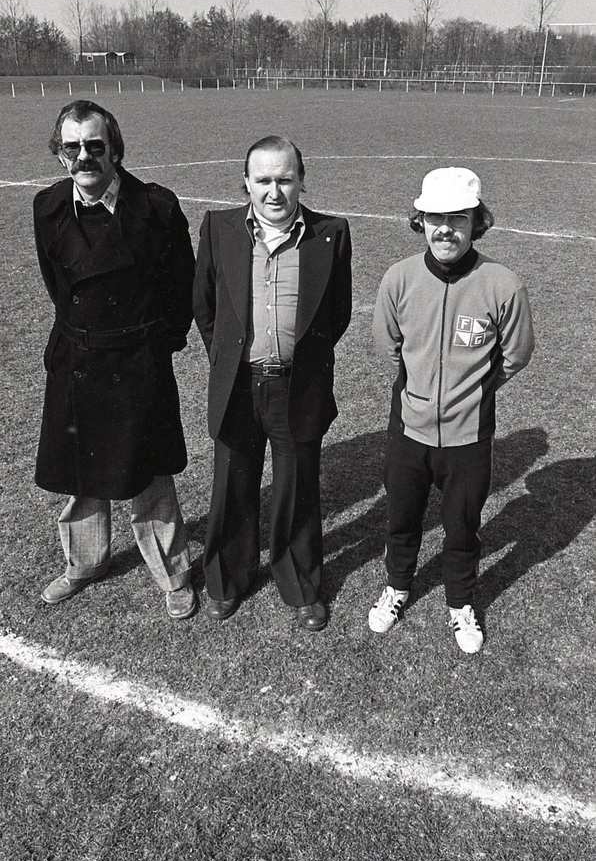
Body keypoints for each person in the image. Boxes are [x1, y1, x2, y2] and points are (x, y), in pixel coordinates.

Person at [34, 99, 196, 620]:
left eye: (95, 146)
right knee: (82, 470)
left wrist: (155, 344)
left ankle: (173, 573)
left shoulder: (156, 207)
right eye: (72, 148)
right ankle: (85, 561)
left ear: (116, 150)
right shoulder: (47, 206)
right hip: (77, 357)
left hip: (137, 360)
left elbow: (182, 288)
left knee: (150, 474)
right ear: (60, 154)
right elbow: (58, 285)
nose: (84, 157)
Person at [370, 167, 534, 652]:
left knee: (462, 527)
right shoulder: (399, 278)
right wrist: (421, 387)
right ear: (419, 220)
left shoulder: (502, 284)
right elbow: (388, 345)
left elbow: (516, 354)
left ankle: (460, 603)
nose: (445, 229)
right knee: (402, 518)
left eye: (458, 218)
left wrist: (473, 391)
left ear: (476, 222)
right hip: (409, 430)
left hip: (469, 436)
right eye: (434, 218)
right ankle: (398, 587)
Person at [193, 136, 352, 630]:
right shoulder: (218, 228)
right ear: (246, 183)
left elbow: (337, 312)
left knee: (297, 487)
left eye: (285, 179)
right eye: (263, 180)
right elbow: (205, 305)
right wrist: (229, 357)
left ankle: (301, 585)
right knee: (232, 485)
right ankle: (226, 580)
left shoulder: (330, 233)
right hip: (238, 384)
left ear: (302, 180)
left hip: (297, 385)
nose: (274, 191)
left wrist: (298, 357)